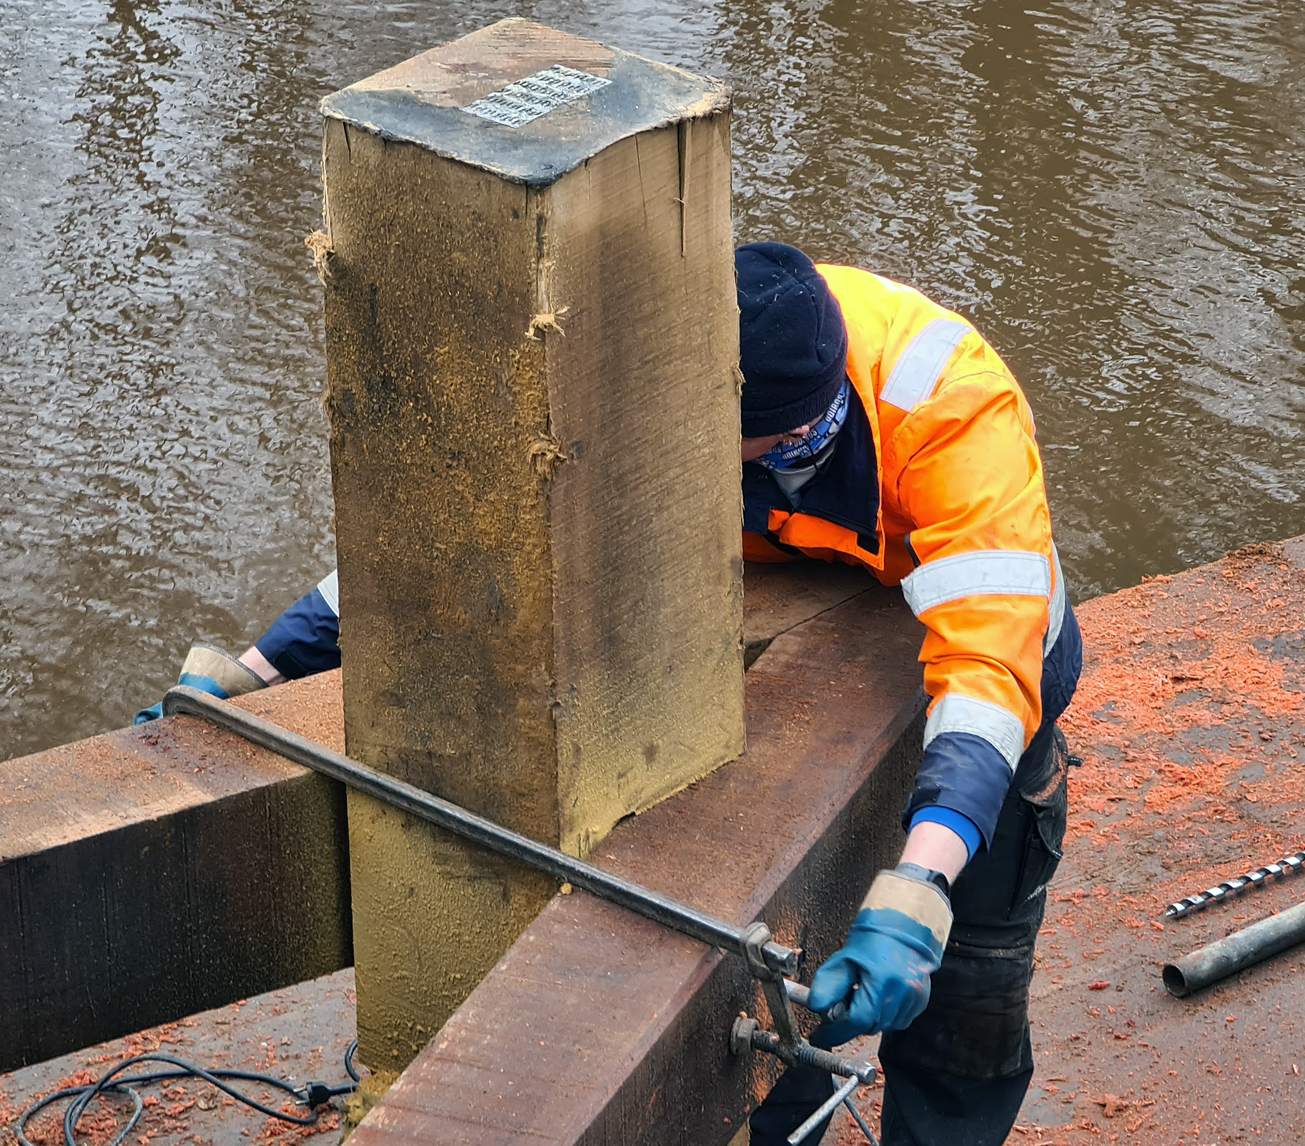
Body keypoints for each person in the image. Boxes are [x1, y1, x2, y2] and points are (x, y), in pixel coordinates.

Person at [135, 242, 1081, 1146]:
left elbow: (988, 674)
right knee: (781, 991)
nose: (674, 441)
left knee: (967, 996)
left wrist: (921, 882)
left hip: (971, 688)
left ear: (788, 427)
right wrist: (260, 672)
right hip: (792, 669)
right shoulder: (670, 356)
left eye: (708, 433)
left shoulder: (953, 415)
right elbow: (467, 537)